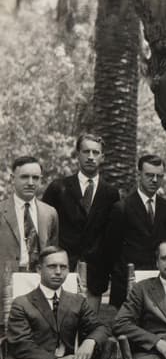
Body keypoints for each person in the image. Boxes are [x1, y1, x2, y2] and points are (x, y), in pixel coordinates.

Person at [42, 134, 120, 313]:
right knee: (59, 324)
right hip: (61, 269)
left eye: (95, 152)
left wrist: (106, 269)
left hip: (95, 273)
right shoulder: (58, 188)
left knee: (89, 326)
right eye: (86, 151)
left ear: (102, 157)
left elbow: (112, 237)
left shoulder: (111, 193)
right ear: (78, 154)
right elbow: (46, 228)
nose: (91, 156)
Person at [105, 154, 166, 308]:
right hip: (128, 284)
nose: (155, 180)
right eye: (149, 175)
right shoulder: (122, 208)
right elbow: (111, 251)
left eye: (159, 176)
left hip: (158, 284)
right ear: (139, 175)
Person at [0, 156, 58, 279]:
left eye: (35, 178)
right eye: (24, 177)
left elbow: (53, 253)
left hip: (40, 280)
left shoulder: (50, 213)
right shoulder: (1, 211)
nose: (30, 183)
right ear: (12, 179)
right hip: (6, 282)